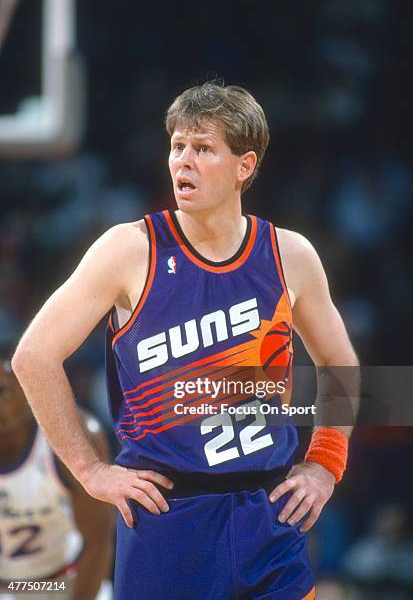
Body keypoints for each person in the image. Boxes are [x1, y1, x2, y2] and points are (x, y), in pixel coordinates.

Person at [11, 82, 359, 599]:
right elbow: (32, 357)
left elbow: (341, 361)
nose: (183, 162)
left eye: (203, 149)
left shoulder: (291, 254)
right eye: (177, 146)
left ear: (245, 166)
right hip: (167, 518)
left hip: (270, 513)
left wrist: (326, 464)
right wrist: (90, 471)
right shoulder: (129, 249)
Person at [0, 358, 114, 600]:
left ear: (25, 390)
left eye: (3, 392)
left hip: (66, 582)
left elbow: (98, 540)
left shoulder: (74, 435)